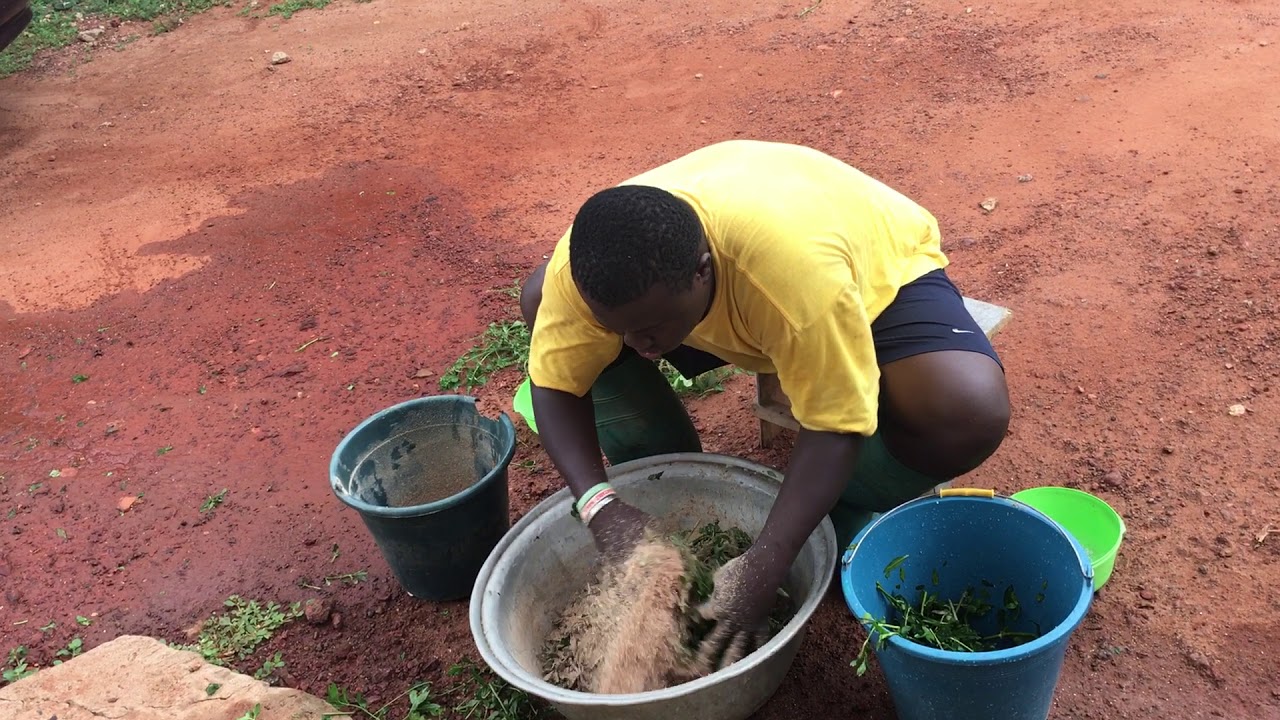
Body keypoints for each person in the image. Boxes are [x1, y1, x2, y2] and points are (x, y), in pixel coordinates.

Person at [519, 139, 1010, 669]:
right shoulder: (588, 275)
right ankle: (665, 466)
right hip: (725, 273)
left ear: (702, 270)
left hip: (865, 263)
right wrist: (599, 504)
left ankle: (843, 502)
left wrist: (767, 563)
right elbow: (555, 385)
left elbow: (836, 425)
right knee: (537, 298)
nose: (638, 347)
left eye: (647, 329)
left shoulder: (795, 281)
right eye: (616, 329)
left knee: (963, 408)